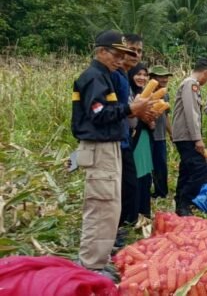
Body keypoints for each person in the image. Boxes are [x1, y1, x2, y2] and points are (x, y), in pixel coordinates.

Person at [72, 30, 152, 276]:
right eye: (116, 55)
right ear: (101, 51)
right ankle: (90, 264)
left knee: (110, 207)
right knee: (101, 206)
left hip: (110, 147)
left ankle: (100, 258)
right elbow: (98, 114)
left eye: (122, 55)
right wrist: (130, 109)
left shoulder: (105, 76)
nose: (120, 60)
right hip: (99, 148)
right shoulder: (94, 77)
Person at [113, 33, 148, 246]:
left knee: (128, 186)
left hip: (125, 139)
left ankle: (121, 228)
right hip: (114, 142)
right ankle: (114, 232)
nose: (135, 54)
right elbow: (113, 111)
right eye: (131, 50)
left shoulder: (124, 77)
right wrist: (135, 110)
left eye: (139, 51)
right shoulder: (114, 76)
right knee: (120, 188)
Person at [172, 58, 207, 216]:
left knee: (186, 170)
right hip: (187, 136)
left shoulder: (188, 84)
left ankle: (180, 203)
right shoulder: (191, 84)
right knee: (200, 170)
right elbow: (191, 113)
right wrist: (197, 138)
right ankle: (185, 202)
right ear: (206, 73)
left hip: (184, 135)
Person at [127, 64, 154, 219]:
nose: (142, 78)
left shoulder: (144, 95)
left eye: (145, 75)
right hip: (133, 138)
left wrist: (151, 121)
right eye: (138, 74)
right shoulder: (128, 93)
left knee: (145, 173)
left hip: (144, 137)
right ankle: (133, 211)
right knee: (135, 173)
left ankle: (144, 209)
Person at [148, 65, 172, 198]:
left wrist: (171, 133)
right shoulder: (146, 94)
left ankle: (161, 192)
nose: (164, 79)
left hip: (160, 136)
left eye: (166, 77)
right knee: (147, 166)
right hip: (148, 135)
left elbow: (166, 115)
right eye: (161, 77)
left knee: (161, 165)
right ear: (152, 78)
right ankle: (145, 191)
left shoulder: (165, 94)